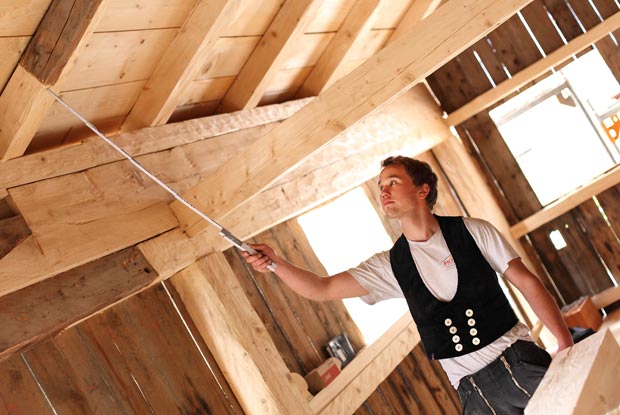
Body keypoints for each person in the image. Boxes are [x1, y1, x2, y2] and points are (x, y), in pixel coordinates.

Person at [242, 155, 573, 414]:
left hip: (518, 360)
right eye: (380, 186)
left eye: (393, 182)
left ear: (422, 190)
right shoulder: (391, 265)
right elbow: (321, 289)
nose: (383, 191)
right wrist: (274, 263)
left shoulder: (474, 230)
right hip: (473, 392)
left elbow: (526, 282)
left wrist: (564, 341)